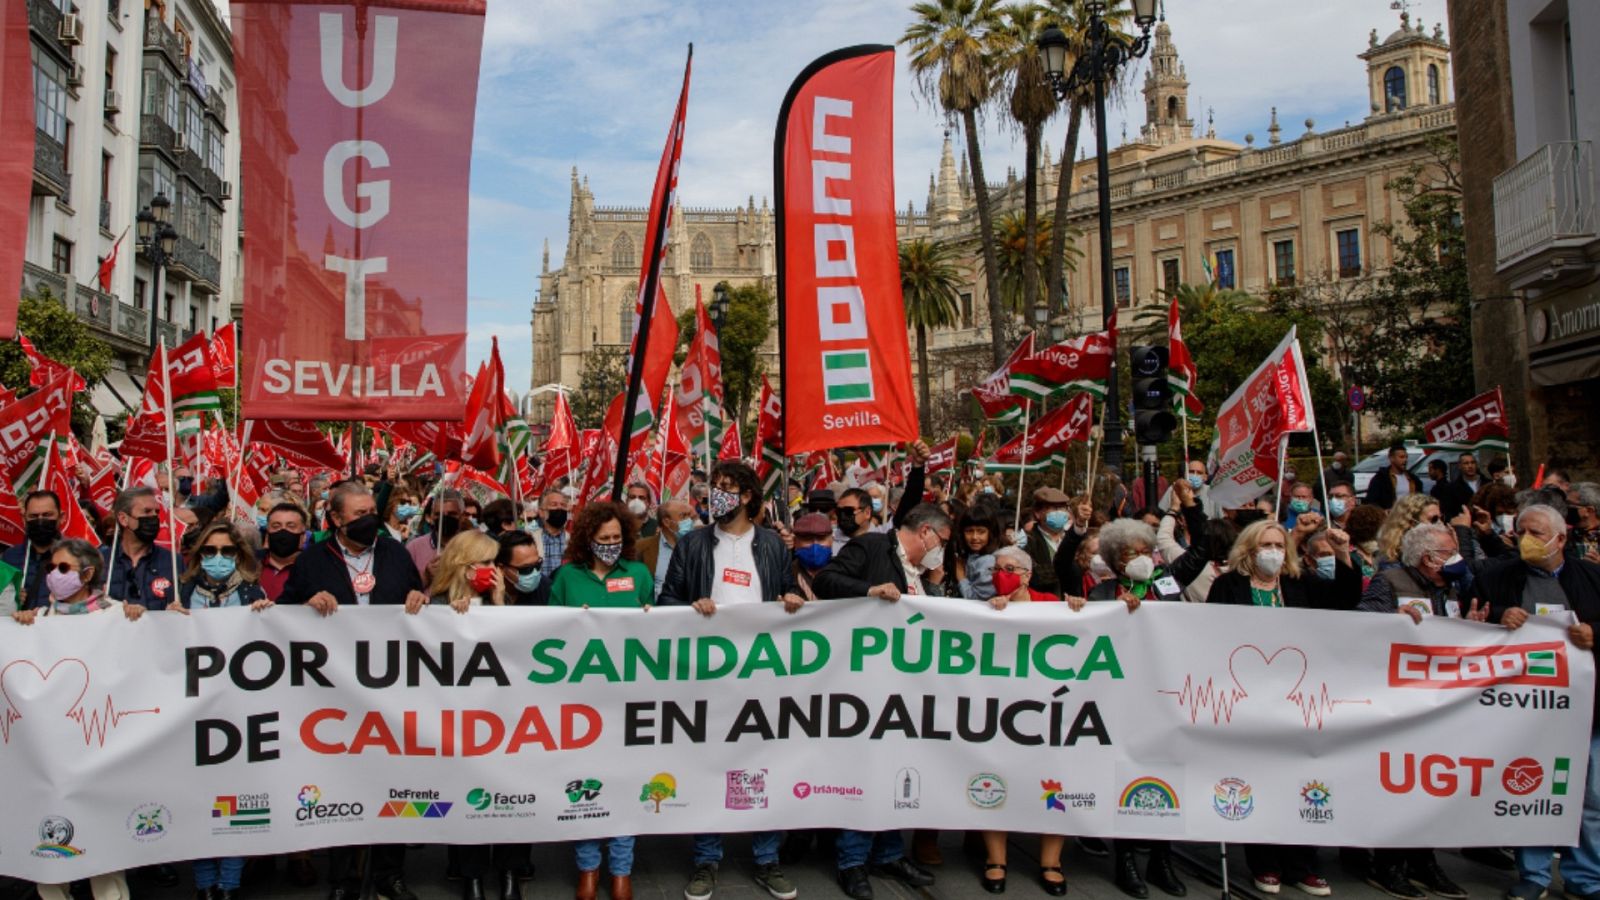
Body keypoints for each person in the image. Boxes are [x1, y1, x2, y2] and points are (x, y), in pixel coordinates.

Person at [273, 483, 426, 900]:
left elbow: (417, 599)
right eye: (358, 514)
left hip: (392, 689)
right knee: (342, 784)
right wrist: (307, 602)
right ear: (337, 519)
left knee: (393, 782)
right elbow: (284, 612)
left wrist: (419, 597)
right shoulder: (312, 560)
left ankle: (389, 875)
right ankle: (343, 879)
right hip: (335, 694)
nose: (368, 519)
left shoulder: (395, 553)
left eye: (371, 511)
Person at [811, 506, 949, 900]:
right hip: (867, 686)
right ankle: (852, 861)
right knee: (865, 771)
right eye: (941, 541)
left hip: (908, 689)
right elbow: (826, 581)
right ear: (926, 532)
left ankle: (888, 853)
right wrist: (869, 591)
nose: (941, 550)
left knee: (897, 772)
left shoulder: (921, 574)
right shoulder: (872, 547)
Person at [1466, 505, 1600, 900]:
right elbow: (1468, 621)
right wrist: (1498, 617)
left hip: (1588, 709)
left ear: (1561, 538)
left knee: (1591, 800)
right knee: (1530, 791)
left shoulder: (1592, 576)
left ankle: (1586, 879)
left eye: (1536, 532)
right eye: (1521, 531)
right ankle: (1534, 875)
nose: (1526, 539)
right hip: (1526, 709)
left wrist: (1595, 632)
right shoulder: (1495, 577)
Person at [11, 538, 142, 900]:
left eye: (63, 568)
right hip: (50, 753)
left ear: (87, 574)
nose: (54, 574)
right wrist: (20, 624)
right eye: (50, 568)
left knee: (103, 845)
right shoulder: (39, 620)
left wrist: (142, 620)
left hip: (100, 749)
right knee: (48, 845)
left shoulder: (118, 615)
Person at [548, 500, 652, 900]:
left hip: (628, 697)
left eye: (616, 537)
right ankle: (588, 866)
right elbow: (547, 632)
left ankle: (622, 868)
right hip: (581, 699)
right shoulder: (566, 577)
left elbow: (656, 628)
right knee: (585, 784)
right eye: (603, 538)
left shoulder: (638, 574)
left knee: (625, 781)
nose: (611, 544)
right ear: (587, 539)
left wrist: (649, 615)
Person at [1207, 520, 1360, 611]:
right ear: (1249, 550)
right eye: (1266, 545)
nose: (1274, 550)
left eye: (1279, 545)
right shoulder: (1226, 584)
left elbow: (1345, 599)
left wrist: (1342, 552)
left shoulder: (1301, 582)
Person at [102, 486, 180, 610]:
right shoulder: (102, 562)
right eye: (147, 511)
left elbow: (187, 608)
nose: (154, 517)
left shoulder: (174, 562)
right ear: (123, 519)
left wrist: (174, 612)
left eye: (156, 512)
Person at [3, 490, 62, 609]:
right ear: (24, 518)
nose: (40, 520)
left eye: (47, 515)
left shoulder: (75, 556)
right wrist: (10, 599)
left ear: (61, 517)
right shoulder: (9, 557)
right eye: (33, 516)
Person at [427, 530, 505, 610]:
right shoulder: (440, 601)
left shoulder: (499, 595)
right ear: (464, 568)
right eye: (486, 562)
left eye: (493, 561)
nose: (493, 567)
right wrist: (452, 612)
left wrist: (499, 602)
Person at [639, 499, 693, 600]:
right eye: (683, 516)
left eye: (689, 515)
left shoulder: (698, 546)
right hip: (655, 608)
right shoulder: (642, 547)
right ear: (666, 522)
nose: (688, 520)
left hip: (688, 608)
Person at [1023, 488, 1073, 595]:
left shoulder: (1071, 538)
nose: (1059, 512)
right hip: (1043, 600)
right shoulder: (1028, 540)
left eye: (1063, 508)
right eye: (1054, 508)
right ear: (1038, 513)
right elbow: (1036, 575)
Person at [407, 489, 466, 580]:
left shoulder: (473, 548)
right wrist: (426, 576)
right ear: (431, 517)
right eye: (439, 514)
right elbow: (403, 585)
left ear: (462, 516)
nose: (444, 518)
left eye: (451, 514)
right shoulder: (414, 548)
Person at [258, 502, 308, 602]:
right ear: (267, 534)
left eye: (291, 526)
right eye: (276, 526)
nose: (283, 531)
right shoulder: (250, 564)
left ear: (303, 537)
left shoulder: (315, 569)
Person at [1376, 495, 1442, 569]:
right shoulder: (1392, 562)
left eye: (1441, 518)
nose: (1440, 524)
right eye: (1434, 519)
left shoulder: (1439, 551)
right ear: (1411, 523)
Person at [498, 530, 551, 606]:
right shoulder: (487, 595)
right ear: (502, 568)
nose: (534, 573)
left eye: (537, 565)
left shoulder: (546, 588)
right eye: (526, 569)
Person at [789, 513, 834, 602]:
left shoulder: (843, 571)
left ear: (831, 541)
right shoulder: (786, 574)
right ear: (795, 542)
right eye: (807, 539)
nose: (815, 545)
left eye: (821, 539)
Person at [1365, 443, 1421, 509]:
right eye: (1401, 457)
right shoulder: (1381, 479)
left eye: (1406, 457)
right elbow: (1371, 501)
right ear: (1391, 458)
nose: (1405, 460)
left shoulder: (1413, 479)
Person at [535, 489, 571, 580]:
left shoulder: (574, 540)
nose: (559, 508)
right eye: (554, 504)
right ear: (541, 512)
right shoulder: (531, 538)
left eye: (563, 505)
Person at [832, 488, 873, 552]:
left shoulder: (882, 543)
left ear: (867, 512)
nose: (842, 516)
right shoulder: (829, 543)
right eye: (839, 511)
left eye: (849, 511)